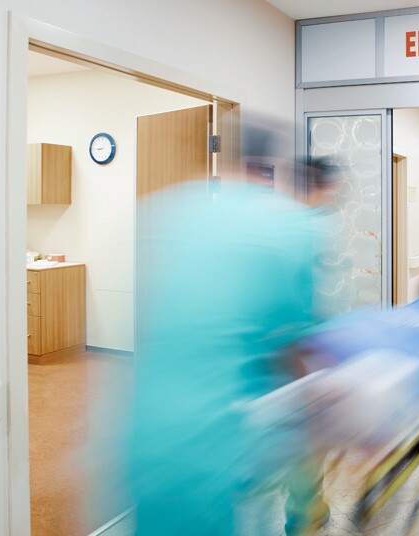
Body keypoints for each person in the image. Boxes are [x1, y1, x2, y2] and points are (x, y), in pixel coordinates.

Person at [128, 122, 333, 535]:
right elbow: (292, 350)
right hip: (218, 444)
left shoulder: (175, 210)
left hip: (144, 433)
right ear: (272, 168)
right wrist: (324, 399)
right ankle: (303, 515)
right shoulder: (284, 227)